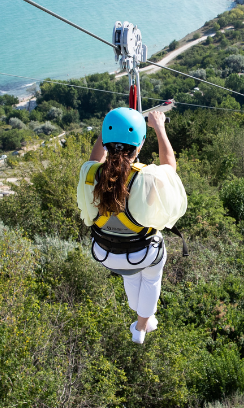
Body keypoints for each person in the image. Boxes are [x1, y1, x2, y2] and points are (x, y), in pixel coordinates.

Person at [76, 108, 187, 344]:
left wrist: (108, 126)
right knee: (150, 278)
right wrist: (160, 128)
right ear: (140, 145)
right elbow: (170, 170)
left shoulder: (90, 173)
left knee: (132, 275)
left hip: (106, 252)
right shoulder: (147, 176)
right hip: (141, 253)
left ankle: (142, 316)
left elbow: (95, 160)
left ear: (106, 142)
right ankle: (141, 326)